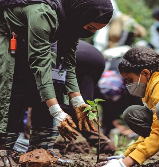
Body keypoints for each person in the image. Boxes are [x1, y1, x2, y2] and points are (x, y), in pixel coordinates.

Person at [0, 0, 113, 165]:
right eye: (91, 28)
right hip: (9, 35)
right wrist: (57, 112)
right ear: (82, 17)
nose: (92, 33)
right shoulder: (42, 13)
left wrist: (78, 101)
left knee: (55, 78)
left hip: (35, 36)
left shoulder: (73, 20)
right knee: (12, 86)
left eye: (96, 30)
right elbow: (40, 65)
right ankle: (4, 149)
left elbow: (68, 63)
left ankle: (41, 148)